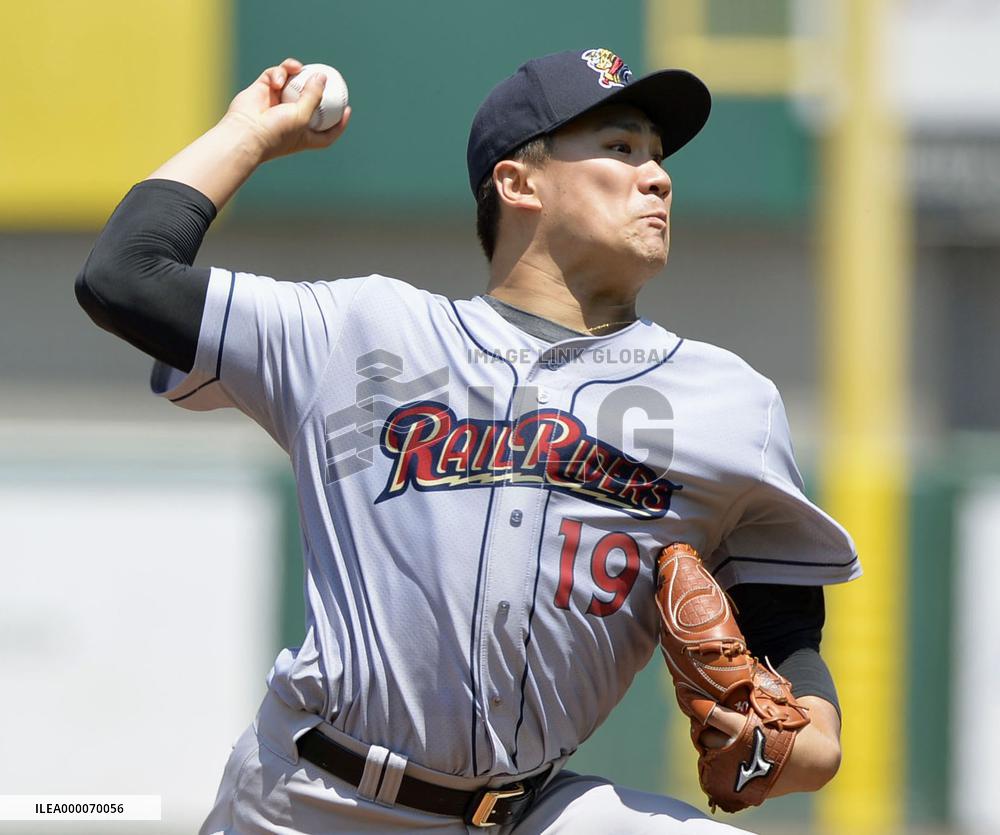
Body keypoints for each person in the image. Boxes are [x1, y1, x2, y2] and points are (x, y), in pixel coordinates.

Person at [76, 49, 858, 834]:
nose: (657, 178)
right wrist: (248, 132)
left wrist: (813, 734)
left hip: (533, 808)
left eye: (657, 158)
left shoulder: (729, 402)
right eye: (620, 150)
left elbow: (783, 621)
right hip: (315, 797)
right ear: (517, 183)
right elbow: (125, 275)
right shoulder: (359, 331)